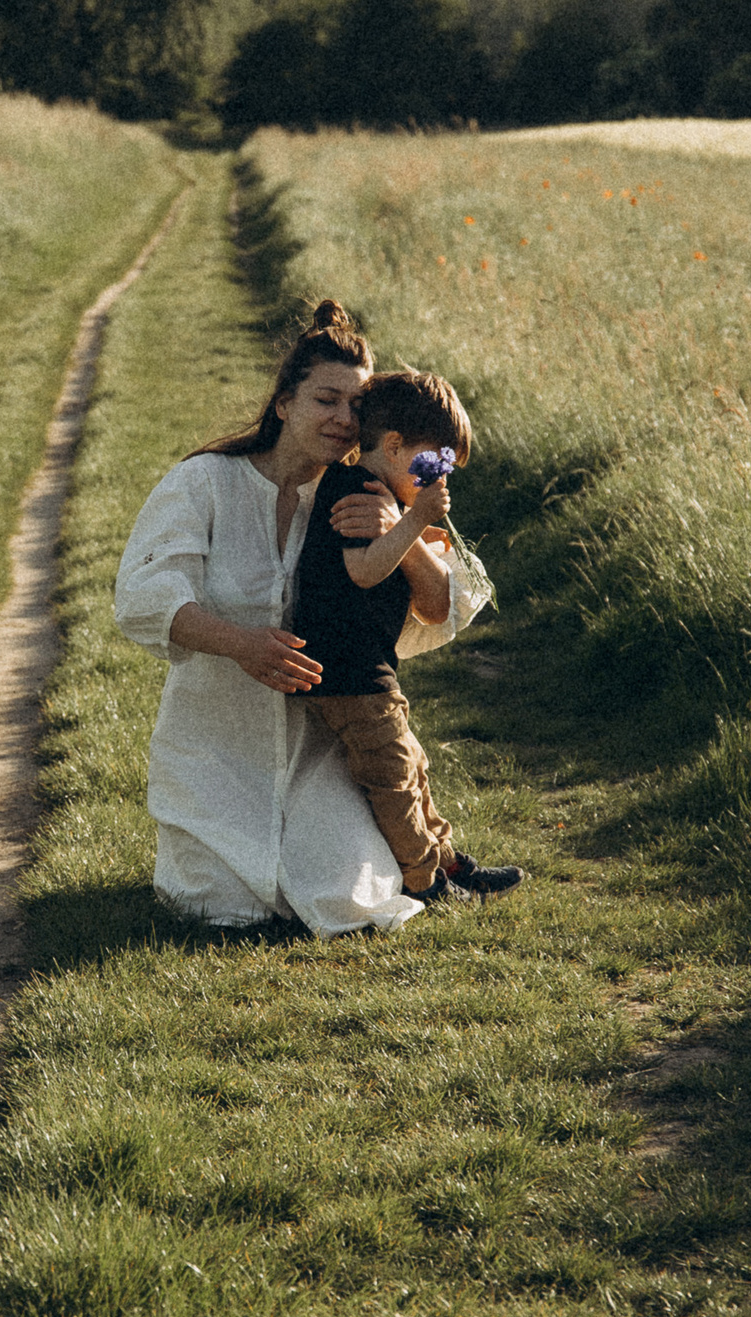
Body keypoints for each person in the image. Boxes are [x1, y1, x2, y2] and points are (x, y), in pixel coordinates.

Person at [114, 302, 459, 934]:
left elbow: (442, 606)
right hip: (217, 748)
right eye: (327, 400)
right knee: (220, 905)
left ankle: (426, 863)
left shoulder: (363, 491)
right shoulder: (204, 483)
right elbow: (143, 598)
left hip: (318, 748)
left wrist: (400, 534)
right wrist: (243, 644)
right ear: (283, 402)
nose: (342, 419)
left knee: (347, 897)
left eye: (357, 407)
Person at [292, 369, 523, 903]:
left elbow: (429, 599)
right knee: (393, 780)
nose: (441, 477)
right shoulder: (351, 489)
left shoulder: (380, 495)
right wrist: (416, 517)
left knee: (414, 766)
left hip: (371, 669)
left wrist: (409, 521)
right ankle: (425, 883)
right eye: (435, 462)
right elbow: (365, 571)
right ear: (395, 446)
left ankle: (448, 860)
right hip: (347, 670)